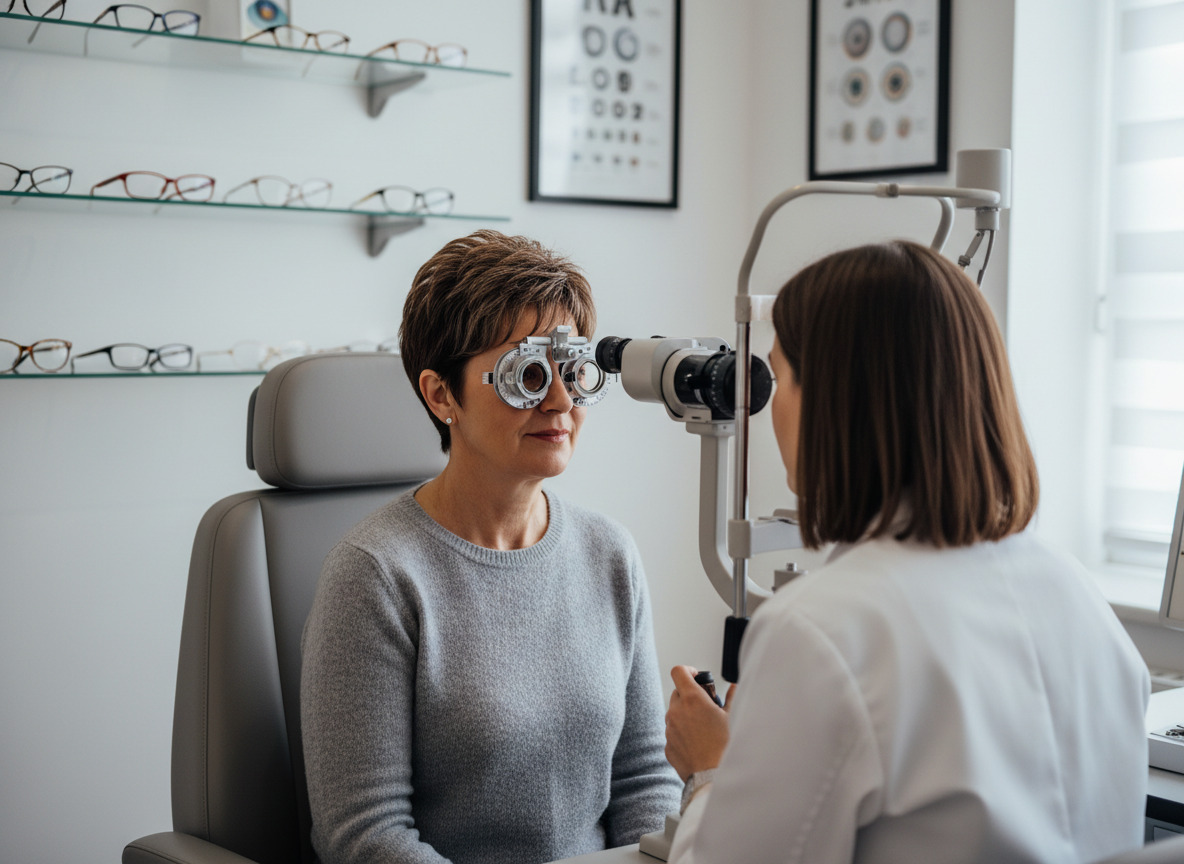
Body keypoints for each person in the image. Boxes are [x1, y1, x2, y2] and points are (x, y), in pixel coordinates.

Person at [663, 240, 1150, 863]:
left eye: (780, 377)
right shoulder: (1078, 595)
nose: (769, 408)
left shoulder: (821, 631)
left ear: (836, 402)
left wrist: (712, 773)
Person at [300, 229, 681, 864]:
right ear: (440, 394)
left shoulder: (610, 553)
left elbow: (644, 777)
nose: (560, 402)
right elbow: (364, 835)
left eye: (572, 370)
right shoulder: (375, 576)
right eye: (528, 374)